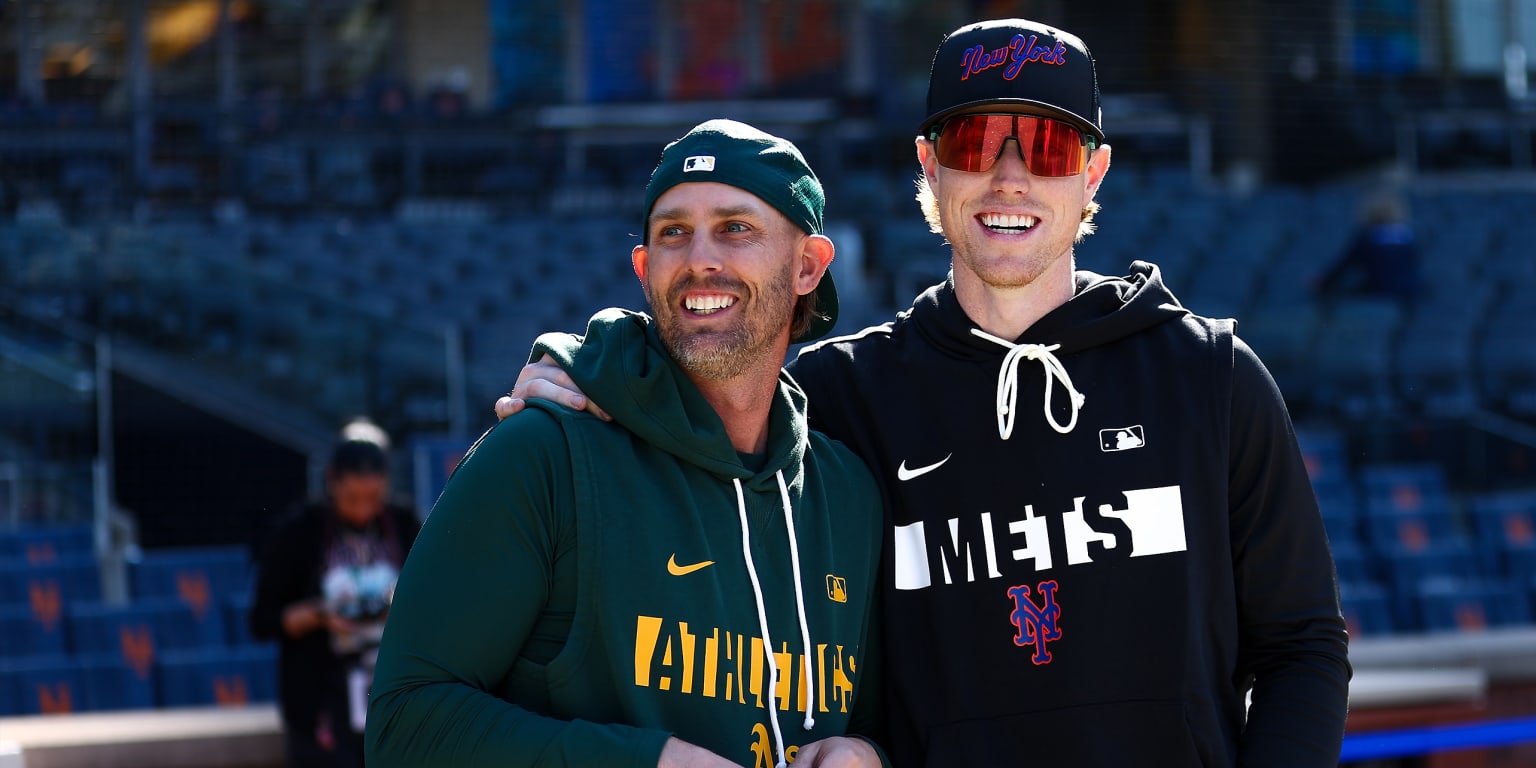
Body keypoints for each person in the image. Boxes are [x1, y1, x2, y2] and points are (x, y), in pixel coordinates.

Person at [497, 18, 1351, 767]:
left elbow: (1302, 647)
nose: (1009, 178)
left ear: (1092, 173)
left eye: (1048, 148)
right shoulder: (837, 396)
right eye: (975, 145)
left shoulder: (1211, 377)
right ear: (930, 166)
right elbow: (687, 422)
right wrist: (592, 377)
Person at [365, 119, 886, 768]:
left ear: (807, 266)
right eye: (673, 233)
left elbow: (883, 719)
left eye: (735, 228)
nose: (699, 259)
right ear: (644, 269)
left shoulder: (849, 495)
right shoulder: (543, 455)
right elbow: (403, 729)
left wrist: (866, 754)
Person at [249, 417, 421, 768]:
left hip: (391, 694)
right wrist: (320, 613)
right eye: (352, 498)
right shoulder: (299, 532)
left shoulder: (403, 523)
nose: (362, 509)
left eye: (373, 498)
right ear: (332, 481)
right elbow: (263, 620)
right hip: (322, 703)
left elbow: (431, 599)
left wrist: (398, 606)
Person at [1314, 188, 1422, 305]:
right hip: (1408, 293)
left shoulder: (1366, 238)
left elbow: (1343, 266)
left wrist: (1323, 283)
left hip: (1377, 291)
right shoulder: (1408, 238)